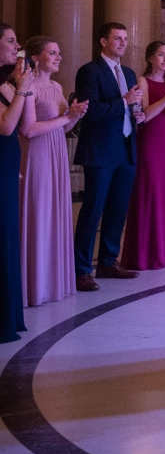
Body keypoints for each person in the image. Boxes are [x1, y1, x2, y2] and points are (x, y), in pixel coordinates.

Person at [73, 22, 144, 291]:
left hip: (126, 149)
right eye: (117, 38)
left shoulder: (128, 72)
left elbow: (129, 106)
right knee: (93, 210)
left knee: (117, 209)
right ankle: (81, 270)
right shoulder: (89, 71)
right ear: (103, 41)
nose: (123, 43)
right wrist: (124, 101)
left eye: (125, 38)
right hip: (100, 151)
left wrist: (137, 113)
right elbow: (91, 111)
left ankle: (108, 261)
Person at [18, 37, 87, 306]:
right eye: (53, 53)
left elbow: (63, 127)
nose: (59, 57)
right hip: (37, 155)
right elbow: (28, 129)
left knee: (55, 213)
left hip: (57, 152)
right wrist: (66, 117)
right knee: (38, 213)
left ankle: (51, 281)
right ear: (35, 58)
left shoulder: (57, 85)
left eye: (59, 52)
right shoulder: (29, 87)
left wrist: (74, 115)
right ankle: (33, 285)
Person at [121, 41, 165, 271]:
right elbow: (146, 114)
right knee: (150, 192)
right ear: (151, 58)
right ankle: (146, 253)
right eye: (161, 54)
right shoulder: (142, 81)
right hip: (150, 140)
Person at [0, 22, 33, 341]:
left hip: (8, 165)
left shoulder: (7, 84)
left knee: (7, 238)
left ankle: (7, 317)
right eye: (10, 40)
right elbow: (6, 126)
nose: (17, 45)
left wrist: (22, 84)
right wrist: (21, 88)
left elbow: (26, 123)